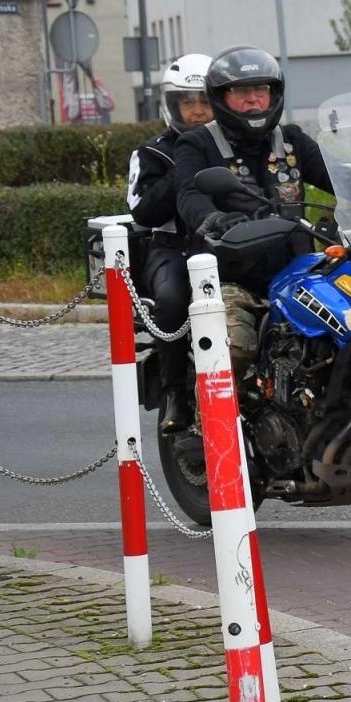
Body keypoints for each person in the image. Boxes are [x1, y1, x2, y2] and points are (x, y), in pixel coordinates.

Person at [171, 45, 333, 370]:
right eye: (241, 92)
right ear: (220, 96)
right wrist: (212, 218)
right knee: (234, 345)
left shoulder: (293, 141)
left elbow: (338, 175)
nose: (253, 100)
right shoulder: (197, 144)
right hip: (231, 278)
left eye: (261, 90)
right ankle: (213, 404)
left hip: (299, 274)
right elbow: (189, 194)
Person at [125, 53, 213, 433]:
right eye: (187, 103)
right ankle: (174, 391)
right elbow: (142, 211)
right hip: (173, 247)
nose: (197, 111)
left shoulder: (233, 147)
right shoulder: (152, 153)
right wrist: (183, 169)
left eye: (205, 101)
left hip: (226, 245)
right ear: (172, 105)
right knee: (174, 299)